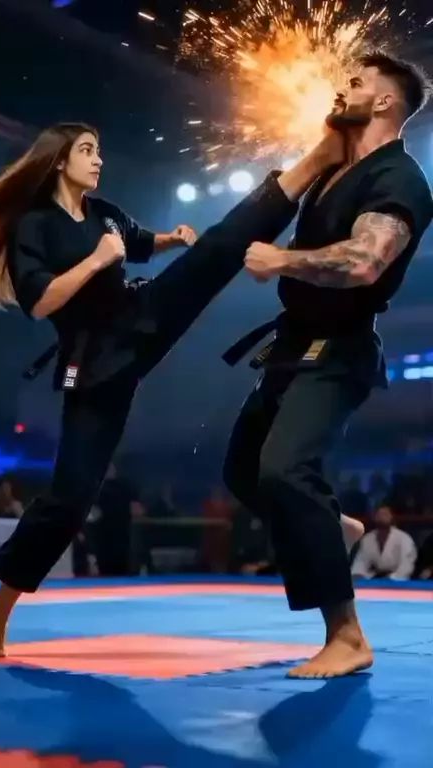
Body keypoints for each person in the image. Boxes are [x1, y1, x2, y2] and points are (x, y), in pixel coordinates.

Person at [0, 122, 342, 656]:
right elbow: (41, 301)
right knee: (68, 503)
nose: (98, 160)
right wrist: (97, 260)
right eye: (87, 151)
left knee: (216, 250)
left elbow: (141, 243)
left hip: (142, 316)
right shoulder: (34, 226)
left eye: (99, 149)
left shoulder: (103, 213)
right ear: (58, 161)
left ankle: (314, 162)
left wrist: (174, 238)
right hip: (95, 362)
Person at [223, 52, 433, 678]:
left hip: (341, 347)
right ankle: (332, 525)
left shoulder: (399, 177)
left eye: (357, 82)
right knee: (243, 472)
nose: (343, 88)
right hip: (294, 343)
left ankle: (347, 635)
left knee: (286, 469)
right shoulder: (336, 172)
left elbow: (365, 262)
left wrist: (282, 262)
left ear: (386, 102)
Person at [351, 504, 417, 580]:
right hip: (375, 579)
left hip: (398, 580)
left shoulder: (404, 538)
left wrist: (391, 579)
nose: (381, 517)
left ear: (392, 517)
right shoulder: (368, 539)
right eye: (378, 514)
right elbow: (361, 561)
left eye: (385, 514)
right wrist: (357, 575)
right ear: (374, 517)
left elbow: (407, 565)